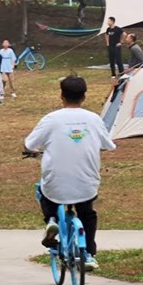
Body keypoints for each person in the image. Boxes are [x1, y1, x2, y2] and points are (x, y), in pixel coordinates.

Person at [24, 76, 116, 271]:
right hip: (86, 185)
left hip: (56, 186)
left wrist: (31, 150)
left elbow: (29, 144)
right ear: (84, 96)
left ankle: (51, 220)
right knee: (87, 214)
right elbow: (109, 145)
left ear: (61, 96)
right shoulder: (94, 119)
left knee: (43, 190)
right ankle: (89, 253)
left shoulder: (51, 119)